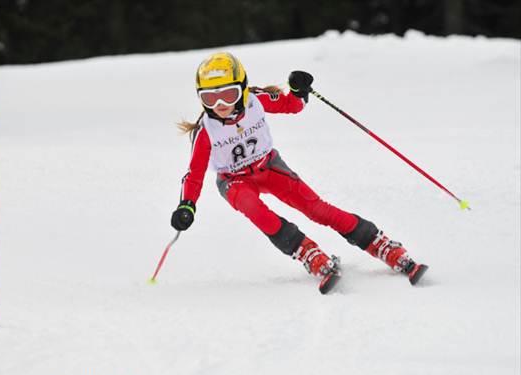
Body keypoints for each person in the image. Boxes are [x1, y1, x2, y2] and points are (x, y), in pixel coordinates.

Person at [171, 52, 427, 294]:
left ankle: (380, 244)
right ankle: (306, 252)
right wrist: (187, 205)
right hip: (234, 180)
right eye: (210, 98)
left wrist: (298, 90)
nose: (221, 105)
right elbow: (194, 174)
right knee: (253, 207)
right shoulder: (205, 131)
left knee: (316, 209)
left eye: (228, 94)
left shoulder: (255, 101)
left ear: (243, 88)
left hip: (269, 166)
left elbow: (291, 105)